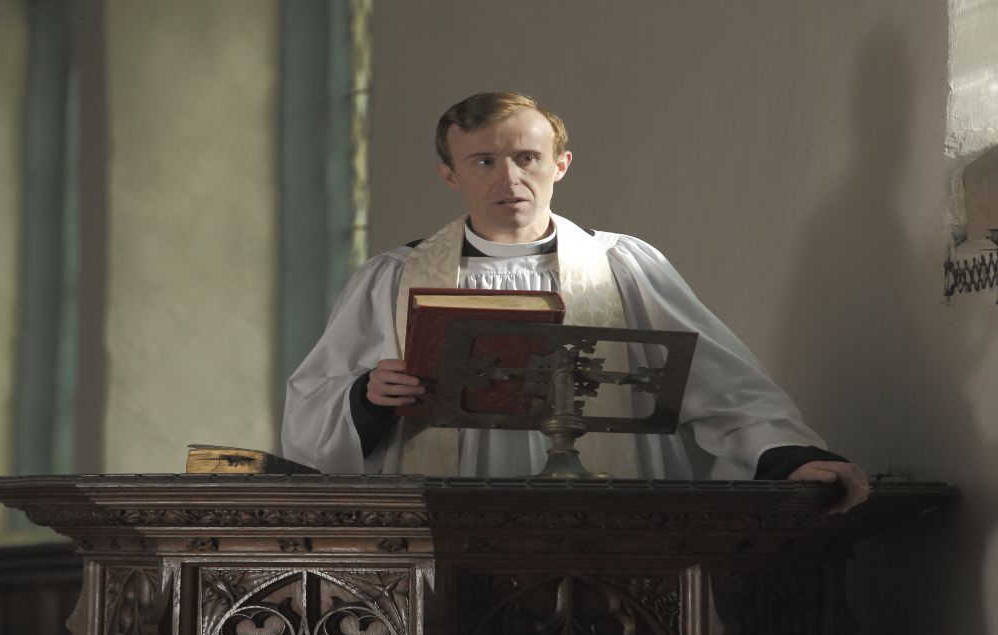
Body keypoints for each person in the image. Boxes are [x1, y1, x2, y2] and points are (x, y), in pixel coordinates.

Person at [281, 91, 869, 513]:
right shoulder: (392, 278)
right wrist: (367, 398)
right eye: (483, 161)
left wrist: (787, 456)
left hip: (605, 517)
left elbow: (715, 381)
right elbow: (310, 416)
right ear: (450, 175)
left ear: (559, 165)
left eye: (527, 157)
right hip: (452, 518)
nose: (509, 178)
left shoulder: (623, 267)